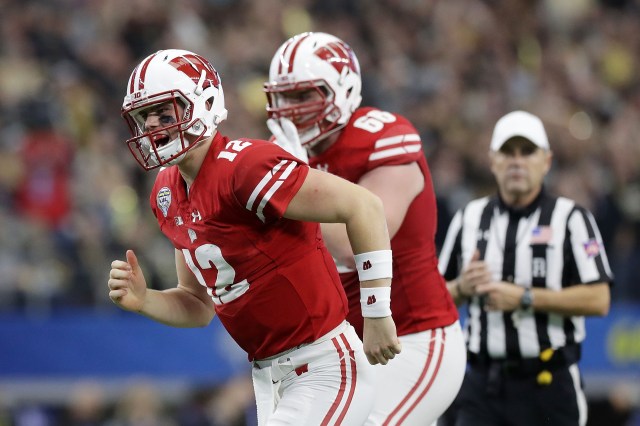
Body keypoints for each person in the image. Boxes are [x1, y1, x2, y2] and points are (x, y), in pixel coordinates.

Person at [107, 49, 403, 426]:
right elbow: (198, 305)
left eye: (165, 114)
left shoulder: (245, 167)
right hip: (268, 379)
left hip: (323, 367)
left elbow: (363, 206)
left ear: (205, 102)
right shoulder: (165, 193)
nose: (153, 128)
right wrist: (145, 300)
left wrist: (377, 312)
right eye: (143, 117)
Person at [264, 32, 466, 425]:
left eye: (303, 95)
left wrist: (293, 183)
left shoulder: (382, 138)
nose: (290, 110)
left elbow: (354, 245)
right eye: (283, 98)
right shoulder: (284, 151)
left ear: (344, 88)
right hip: (339, 349)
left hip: (411, 338)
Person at [437, 110, 613, 426]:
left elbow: (599, 299)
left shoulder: (571, 219)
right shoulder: (469, 217)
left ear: (546, 161)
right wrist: (461, 288)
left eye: (527, 151)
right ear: (493, 160)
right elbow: (433, 301)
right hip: (482, 385)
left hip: (549, 383)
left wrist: (525, 297)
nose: (517, 161)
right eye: (508, 152)